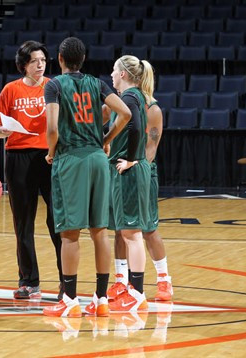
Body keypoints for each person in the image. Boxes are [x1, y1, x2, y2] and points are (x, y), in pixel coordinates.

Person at [42, 37, 131, 318]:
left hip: (71, 158)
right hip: (97, 158)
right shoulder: (97, 83)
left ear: (59, 59)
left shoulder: (54, 85)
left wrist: (51, 151)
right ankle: (101, 299)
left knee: (70, 234)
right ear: (83, 59)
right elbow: (126, 112)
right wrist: (106, 139)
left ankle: (69, 300)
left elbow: (53, 128)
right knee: (99, 232)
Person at [0, 41, 63, 300]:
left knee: (58, 221)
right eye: (34, 61)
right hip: (17, 157)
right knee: (23, 222)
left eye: (42, 60)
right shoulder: (10, 90)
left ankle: (67, 282)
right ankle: (29, 282)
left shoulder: (54, 86)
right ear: (24, 65)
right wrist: (3, 131)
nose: (40, 65)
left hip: (49, 157)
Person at [107, 88, 173, 301]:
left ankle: (164, 280)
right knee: (120, 228)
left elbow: (151, 147)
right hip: (119, 170)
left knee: (148, 229)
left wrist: (136, 166)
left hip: (141, 171)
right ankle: (120, 280)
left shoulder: (152, 109)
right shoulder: (118, 103)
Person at [105, 55, 154, 312]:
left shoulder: (129, 97)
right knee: (128, 233)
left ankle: (137, 293)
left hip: (130, 172)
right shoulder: (134, 97)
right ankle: (134, 291)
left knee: (133, 235)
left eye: (114, 70)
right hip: (130, 170)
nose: (111, 75)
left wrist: (132, 159)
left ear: (123, 74)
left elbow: (136, 128)